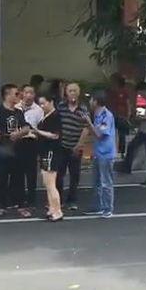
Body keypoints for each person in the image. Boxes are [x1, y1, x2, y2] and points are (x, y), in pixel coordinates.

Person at [0, 84, 32, 218]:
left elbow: (26, 127)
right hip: (2, 148)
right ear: (7, 95)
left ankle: (21, 206)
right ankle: (1, 206)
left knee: (19, 178)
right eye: (16, 94)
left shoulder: (18, 112)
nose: (18, 96)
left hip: (17, 149)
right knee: (2, 178)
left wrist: (19, 133)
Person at [84, 91, 116, 218]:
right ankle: (98, 206)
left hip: (106, 153)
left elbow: (99, 134)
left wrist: (89, 123)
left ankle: (108, 208)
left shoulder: (106, 115)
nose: (90, 102)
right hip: (98, 152)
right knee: (96, 182)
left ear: (96, 101)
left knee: (106, 182)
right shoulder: (97, 115)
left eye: (91, 99)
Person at [56, 82, 87, 210]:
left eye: (75, 91)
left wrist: (79, 145)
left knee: (75, 175)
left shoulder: (83, 109)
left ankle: (72, 200)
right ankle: (58, 200)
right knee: (59, 174)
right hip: (62, 146)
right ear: (66, 93)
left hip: (76, 146)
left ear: (78, 93)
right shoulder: (61, 107)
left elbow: (86, 128)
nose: (72, 93)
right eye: (70, 91)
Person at [35, 94, 63, 221]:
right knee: (47, 182)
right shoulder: (45, 117)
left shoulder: (56, 116)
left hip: (51, 152)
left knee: (51, 183)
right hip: (44, 152)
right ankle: (52, 208)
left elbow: (54, 135)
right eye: (40, 104)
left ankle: (58, 211)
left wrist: (38, 131)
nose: (42, 106)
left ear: (51, 102)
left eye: (43, 103)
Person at [16, 84, 43, 208]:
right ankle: (19, 198)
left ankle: (31, 199)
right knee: (18, 171)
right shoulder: (16, 107)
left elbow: (41, 127)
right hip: (18, 141)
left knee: (31, 172)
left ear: (34, 95)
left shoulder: (38, 110)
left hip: (31, 142)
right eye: (26, 92)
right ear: (22, 93)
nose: (28, 95)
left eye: (31, 93)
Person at [106, 73, 131, 158]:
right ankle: (115, 151)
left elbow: (127, 104)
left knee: (120, 134)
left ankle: (120, 152)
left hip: (120, 115)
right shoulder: (111, 91)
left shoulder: (121, 91)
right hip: (114, 115)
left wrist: (128, 115)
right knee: (114, 134)